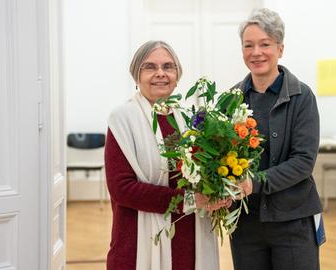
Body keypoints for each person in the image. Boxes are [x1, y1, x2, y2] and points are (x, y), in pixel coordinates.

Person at [105, 40, 227, 270]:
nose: (160, 73)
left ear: (177, 74)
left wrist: (220, 194)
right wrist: (191, 200)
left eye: (168, 67)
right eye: (150, 67)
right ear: (136, 75)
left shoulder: (190, 119)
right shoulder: (123, 119)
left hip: (189, 241)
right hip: (140, 243)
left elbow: (205, 176)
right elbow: (122, 189)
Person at [231, 8, 323, 270]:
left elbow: (304, 162)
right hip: (245, 221)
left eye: (265, 44)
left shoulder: (302, 96)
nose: (256, 52)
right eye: (248, 45)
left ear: (280, 49)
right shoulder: (231, 99)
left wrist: (254, 182)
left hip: (293, 219)